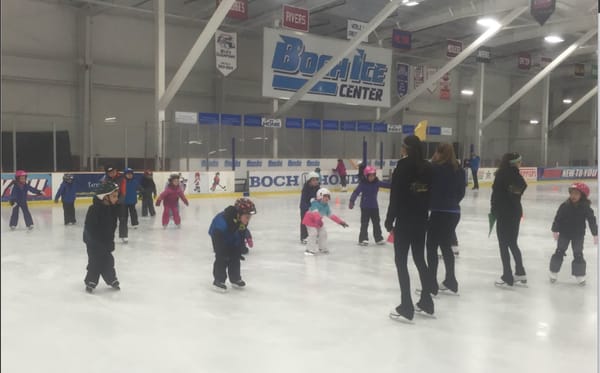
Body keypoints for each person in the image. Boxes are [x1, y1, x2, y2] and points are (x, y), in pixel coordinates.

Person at [385, 135, 434, 322]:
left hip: (405, 220)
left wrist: (390, 220)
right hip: (421, 220)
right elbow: (430, 194)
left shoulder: (403, 167)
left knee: (401, 261)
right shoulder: (428, 167)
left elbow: (396, 195)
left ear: (406, 148)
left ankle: (406, 305)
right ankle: (427, 301)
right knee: (420, 259)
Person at [425, 143, 466, 295]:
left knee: (431, 247)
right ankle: (451, 281)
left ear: (439, 153)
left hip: (438, 212)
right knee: (446, 246)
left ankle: (431, 284)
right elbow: (461, 192)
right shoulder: (459, 170)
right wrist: (452, 202)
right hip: (453, 212)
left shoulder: (435, 169)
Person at [549, 182, 598, 285]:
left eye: (576, 194)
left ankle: (579, 275)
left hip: (578, 235)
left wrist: (595, 233)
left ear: (582, 196)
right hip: (564, 234)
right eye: (571, 193)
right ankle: (553, 272)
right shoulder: (564, 206)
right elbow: (558, 218)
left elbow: (591, 220)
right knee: (559, 251)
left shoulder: (586, 208)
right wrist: (555, 230)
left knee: (578, 254)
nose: (573, 196)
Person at [490, 152, 527, 287]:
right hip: (515, 213)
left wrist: (494, 210)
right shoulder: (516, 175)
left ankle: (507, 275)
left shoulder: (501, 174)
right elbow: (522, 187)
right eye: (519, 161)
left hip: (504, 213)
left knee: (503, 244)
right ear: (514, 163)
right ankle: (520, 272)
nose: (520, 164)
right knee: (512, 243)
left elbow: (496, 195)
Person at [209, 198, 256, 291]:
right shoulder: (222, 223)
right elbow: (218, 239)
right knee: (222, 258)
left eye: (249, 217)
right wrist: (222, 251)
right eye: (247, 217)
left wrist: (239, 248)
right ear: (239, 214)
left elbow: (241, 234)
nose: (248, 220)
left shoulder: (242, 221)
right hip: (218, 236)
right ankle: (219, 280)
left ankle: (235, 278)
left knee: (235, 257)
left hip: (230, 236)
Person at [83, 182, 121, 293]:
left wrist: (110, 241)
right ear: (104, 197)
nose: (116, 199)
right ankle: (91, 281)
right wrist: (93, 243)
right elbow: (89, 229)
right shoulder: (94, 210)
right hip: (93, 243)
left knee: (109, 261)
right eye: (114, 196)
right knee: (95, 262)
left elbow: (112, 227)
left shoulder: (112, 209)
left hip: (105, 242)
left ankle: (111, 279)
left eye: (116, 196)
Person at [349, 165, 390, 246]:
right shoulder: (363, 184)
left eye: (373, 175)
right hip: (365, 207)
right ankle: (363, 239)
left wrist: (397, 184)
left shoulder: (377, 183)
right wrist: (352, 201)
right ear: (366, 176)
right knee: (364, 223)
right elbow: (356, 192)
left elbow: (387, 185)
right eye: (370, 176)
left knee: (376, 223)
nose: (372, 177)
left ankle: (378, 238)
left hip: (374, 206)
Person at [302, 188, 348, 255]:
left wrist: (340, 222)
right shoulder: (315, 204)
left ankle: (322, 248)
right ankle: (309, 249)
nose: (327, 198)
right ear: (320, 196)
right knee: (313, 233)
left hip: (318, 221)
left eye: (328, 196)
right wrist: (318, 221)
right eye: (325, 196)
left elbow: (331, 216)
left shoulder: (326, 206)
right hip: (310, 221)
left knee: (323, 233)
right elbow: (315, 213)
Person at [101, 165, 128, 242]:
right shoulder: (104, 179)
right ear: (107, 173)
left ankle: (123, 235)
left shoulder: (122, 178)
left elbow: (123, 192)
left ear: (116, 171)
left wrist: (118, 200)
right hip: (109, 203)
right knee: (110, 220)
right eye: (110, 172)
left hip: (120, 202)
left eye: (113, 171)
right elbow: (103, 191)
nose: (112, 173)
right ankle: (109, 235)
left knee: (123, 219)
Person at [299, 171, 320, 244]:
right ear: (310, 181)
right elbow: (303, 200)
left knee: (315, 221)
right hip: (305, 207)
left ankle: (313, 236)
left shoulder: (318, 187)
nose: (316, 181)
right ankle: (304, 237)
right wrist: (306, 208)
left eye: (317, 179)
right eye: (314, 180)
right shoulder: (306, 188)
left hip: (313, 207)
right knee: (304, 222)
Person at [121, 168, 140, 232]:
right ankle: (124, 224)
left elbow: (139, 187)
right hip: (124, 201)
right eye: (128, 174)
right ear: (125, 175)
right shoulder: (123, 182)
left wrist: (142, 191)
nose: (129, 175)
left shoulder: (135, 181)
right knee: (124, 214)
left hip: (132, 200)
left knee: (133, 213)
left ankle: (135, 223)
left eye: (131, 174)